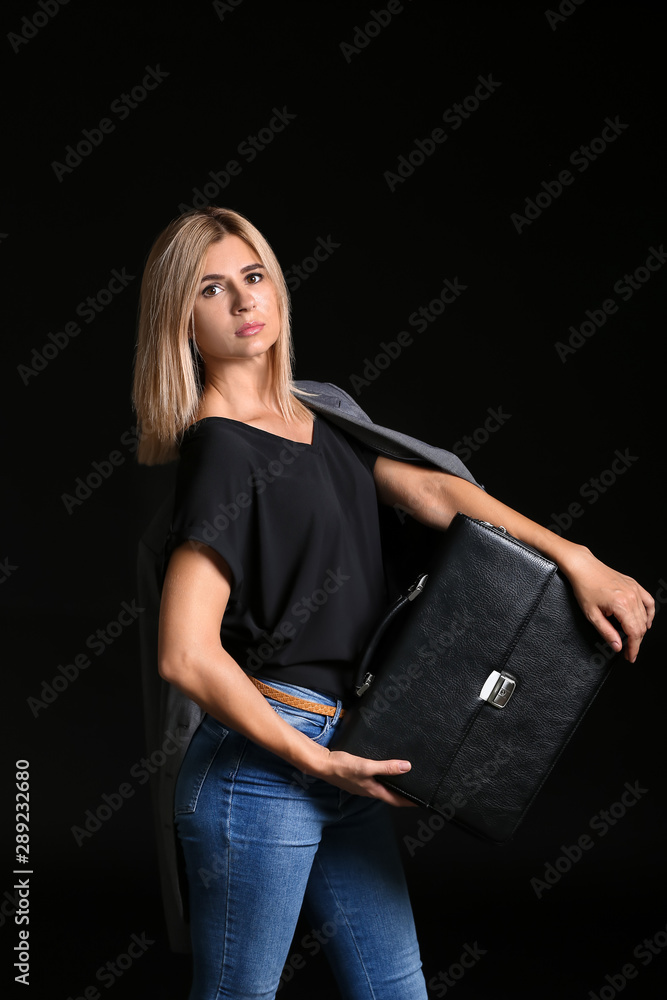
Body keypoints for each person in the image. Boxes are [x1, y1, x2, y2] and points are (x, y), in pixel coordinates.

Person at [132, 206, 654, 999]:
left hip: (350, 747)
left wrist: (576, 559)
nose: (243, 301)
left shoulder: (318, 416)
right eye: (211, 288)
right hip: (267, 764)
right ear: (180, 319)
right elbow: (185, 651)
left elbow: (438, 493)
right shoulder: (221, 448)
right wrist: (313, 758)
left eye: (253, 275)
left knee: (394, 990)